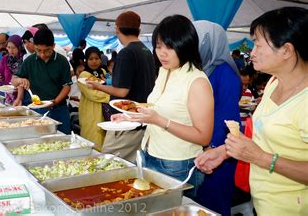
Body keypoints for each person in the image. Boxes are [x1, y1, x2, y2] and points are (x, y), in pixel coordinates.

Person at [195, 7, 308, 215]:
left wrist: (261, 158)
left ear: (287, 50)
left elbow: (262, 155)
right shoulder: (274, 83)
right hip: (263, 203)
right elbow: (264, 138)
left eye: (257, 45)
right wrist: (224, 152)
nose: (252, 53)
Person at [115, 15, 214, 199]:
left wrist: (159, 121)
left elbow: (203, 136)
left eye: (169, 47)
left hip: (176, 164)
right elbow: (157, 108)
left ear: (185, 45)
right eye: (158, 46)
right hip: (149, 153)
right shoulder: (164, 71)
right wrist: (129, 116)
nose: (162, 53)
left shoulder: (197, 81)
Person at [87, 11, 156, 162]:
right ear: (138, 30)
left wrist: (96, 86)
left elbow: (121, 91)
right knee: (133, 165)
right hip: (141, 119)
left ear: (117, 28)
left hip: (126, 122)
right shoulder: (146, 51)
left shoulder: (126, 53)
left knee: (108, 162)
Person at [192, 20, 241, 215]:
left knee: (212, 206)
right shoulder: (202, 69)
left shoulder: (224, 72)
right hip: (202, 150)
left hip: (217, 153)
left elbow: (227, 119)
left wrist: (211, 147)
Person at [12, 29, 73, 134]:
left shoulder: (62, 61)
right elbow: (14, 80)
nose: (42, 54)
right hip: (37, 109)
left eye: (47, 50)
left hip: (59, 109)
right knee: (39, 138)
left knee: (63, 138)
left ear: (53, 46)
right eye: (38, 50)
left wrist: (56, 101)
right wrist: (19, 81)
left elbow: (67, 86)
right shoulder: (29, 61)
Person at [78, 47, 110, 150]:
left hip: (104, 111)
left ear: (100, 59)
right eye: (91, 59)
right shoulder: (84, 75)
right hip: (90, 112)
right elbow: (93, 94)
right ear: (86, 60)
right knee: (92, 141)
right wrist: (111, 96)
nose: (94, 61)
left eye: (96, 58)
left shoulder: (103, 72)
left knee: (104, 141)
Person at [0, 35, 24, 104]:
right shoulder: (5, 59)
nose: (11, 50)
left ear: (19, 47)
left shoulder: (24, 59)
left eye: (13, 47)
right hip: (8, 95)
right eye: (9, 47)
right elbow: (0, 75)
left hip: (22, 95)